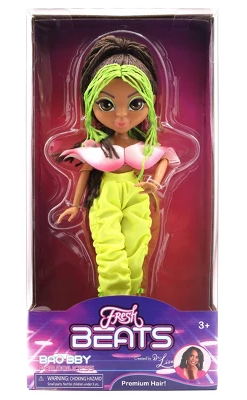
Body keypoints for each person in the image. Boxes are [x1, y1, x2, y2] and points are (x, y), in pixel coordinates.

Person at [52, 35, 180, 297]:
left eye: (135, 103)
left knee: (137, 247)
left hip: (137, 193)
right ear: (91, 103)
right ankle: (111, 299)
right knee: (109, 249)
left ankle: (135, 300)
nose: (121, 115)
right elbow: (85, 172)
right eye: (106, 104)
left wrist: (155, 184)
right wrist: (75, 205)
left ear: (151, 101)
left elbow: (165, 157)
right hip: (106, 195)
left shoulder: (142, 145)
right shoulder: (97, 147)